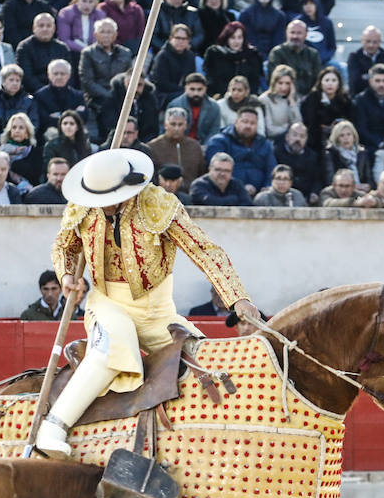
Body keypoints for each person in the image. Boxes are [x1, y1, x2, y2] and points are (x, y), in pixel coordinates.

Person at [34, 147, 256, 457]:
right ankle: (53, 427)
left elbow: (205, 251)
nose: (102, 207)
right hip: (107, 301)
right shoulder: (83, 207)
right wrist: (67, 275)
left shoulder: (159, 205)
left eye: (107, 199)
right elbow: (64, 246)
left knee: (206, 364)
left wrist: (237, 296)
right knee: (112, 345)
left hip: (157, 310)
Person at [266, 20, 320, 98]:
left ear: (306, 35)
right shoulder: (277, 53)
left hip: (308, 98)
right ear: (286, 34)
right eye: (292, 32)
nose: (295, 36)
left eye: (299, 33)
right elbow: (273, 80)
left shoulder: (313, 54)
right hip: (282, 97)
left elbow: (317, 81)